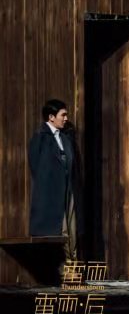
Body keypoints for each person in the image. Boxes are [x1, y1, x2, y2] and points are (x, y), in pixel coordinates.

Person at [28, 99, 83, 269]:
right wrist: (48, 186)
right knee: (61, 229)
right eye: (63, 115)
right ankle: (65, 269)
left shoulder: (65, 138)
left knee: (72, 228)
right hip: (51, 193)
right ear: (51, 117)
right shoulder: (40, 137)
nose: (66, 118)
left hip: (68, 189)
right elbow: (36, 167)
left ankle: (74, 268)